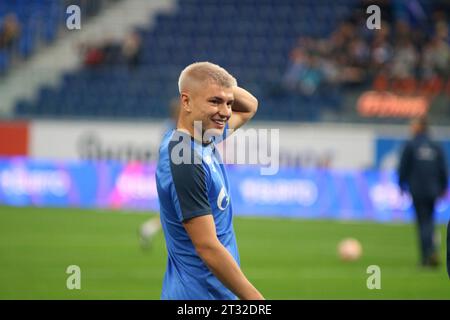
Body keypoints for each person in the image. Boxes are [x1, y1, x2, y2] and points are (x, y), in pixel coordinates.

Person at [155, 61, 264, 300]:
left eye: (228, 103)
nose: (225, 112)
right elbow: (207, 247)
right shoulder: (184, 157)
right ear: (186, 102)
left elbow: (249, 107)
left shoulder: (203, 138)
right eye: (214, 101)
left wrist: (218, 82)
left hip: (213, 293)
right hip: (199, 296)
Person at [398, 116, 448, 268]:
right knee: (430, 221)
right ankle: (432, 251)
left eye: (413, 125)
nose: (410, 128)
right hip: (433, 190)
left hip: (417, 190)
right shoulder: (436, 145)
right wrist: (443, 187)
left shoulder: (411, 145)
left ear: (419, 127)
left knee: (422, 223)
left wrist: (401, 185)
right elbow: (443, 169)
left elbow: (403, 167)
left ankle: (426, 256)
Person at [139, 98, 180, 250]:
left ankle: (149, 228)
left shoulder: (168, 127)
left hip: (170, 172)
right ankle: (150, 228)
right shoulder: (173, 129)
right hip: (174, 173)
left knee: (175, 211)